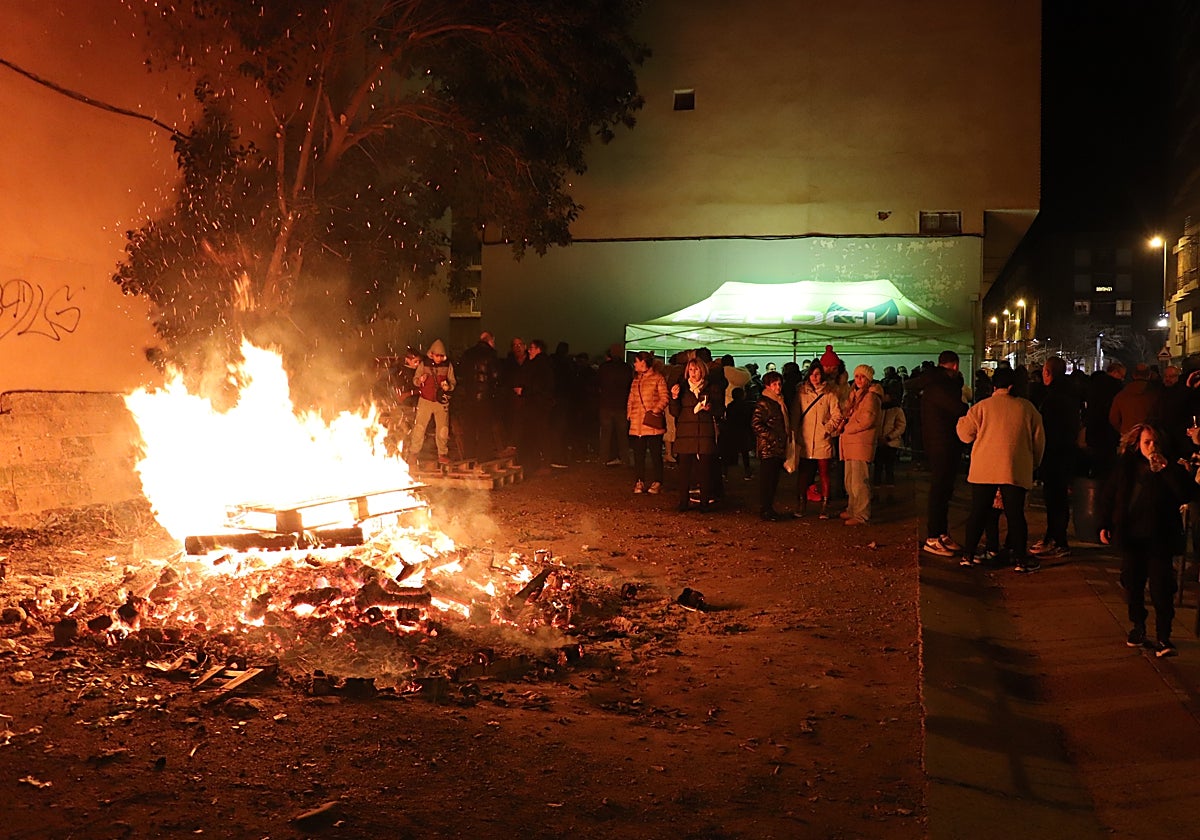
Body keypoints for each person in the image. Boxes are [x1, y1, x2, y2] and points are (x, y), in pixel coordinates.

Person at [1099, 423, 1189, 657]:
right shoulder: (1126, 468)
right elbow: (1110, 496)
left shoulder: (1170, 467)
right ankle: (1138, 626)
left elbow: (1187, 493)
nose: (1151, 447)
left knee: (1161, 589)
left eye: (1155, 442)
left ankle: (1163, 637)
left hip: (1160, 537)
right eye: (1147, 442)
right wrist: (1105, 524)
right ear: (1137, 444)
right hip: (1132, 537)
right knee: (1133, 585)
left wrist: (1167, 469)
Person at [956, 365, 1045, 571]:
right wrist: (1034, 464)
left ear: (993, 385)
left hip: (983, 470)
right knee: (1015, 515)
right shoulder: (1027, 408)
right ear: (1013, 385)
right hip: (1014, 468)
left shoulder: (981, 407)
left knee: (978, 513)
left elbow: (965, 434)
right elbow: (1038, 440)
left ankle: (968, 554)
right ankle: (1021, 560)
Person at [908, 350, 967, 556]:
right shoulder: (941, 386)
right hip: (942, 443)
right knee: (940, 490)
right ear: (955, 366)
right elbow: (959, 409)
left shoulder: (933, 383)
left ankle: (940, 533)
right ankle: (933, 536)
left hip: (940, 442)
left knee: (944, 490)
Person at [1030, 356, 1079, 559]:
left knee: (1055, 499)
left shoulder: (1053, 398)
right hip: (1065, 452)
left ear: (1048, 373)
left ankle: (1058, 540)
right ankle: (1054, 537)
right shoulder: (1069, 393)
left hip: (1055, 454)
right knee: (1056, 499)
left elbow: (1049, 429)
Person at [670, 358, 723, 512]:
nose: (693, 373)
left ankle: (704, 502)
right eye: (691, 370)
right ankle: (683, 502)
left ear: (702, 371)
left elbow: (720, 411)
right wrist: (674, 398)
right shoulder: (682, 389)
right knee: (684, 471)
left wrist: (710, 408)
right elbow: (675, 412)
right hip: (686, 434)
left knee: (705, 470)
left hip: (704, 433)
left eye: (696, 370)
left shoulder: (711, 388)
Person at [836, 364, 882, 526]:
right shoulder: (855, 396)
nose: (859, 380)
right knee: (850, 480)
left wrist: (847, 428)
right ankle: (853, 509)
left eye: (863, 377)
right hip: (851, 443)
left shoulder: (870, 397)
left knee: (859, 481)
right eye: (857, 376)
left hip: (860, 443)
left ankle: (861, 514)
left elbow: (867, 420)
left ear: (869, 379)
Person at [791, 361, 836, 518]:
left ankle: (825, 505)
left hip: (822, 440)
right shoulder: (802, 393)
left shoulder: (830, 393)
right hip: (805, 439)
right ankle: (801, 503)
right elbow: (796, 415)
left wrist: (827, 428)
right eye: (812, 374)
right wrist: (795, 434)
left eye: (817, 374)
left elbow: (837, 414)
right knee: (804, 473)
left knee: (824, 473)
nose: (814, 377)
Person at [407, 339, 456, 465]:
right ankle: (413, 453)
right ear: (431, 354)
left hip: (441, 402)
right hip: (425, 401)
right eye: (436, 355)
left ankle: (442, 454)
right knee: (419, 427)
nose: (438, 358)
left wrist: (448, 387)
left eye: (441, 356)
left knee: (443, 429)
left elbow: (453, 382)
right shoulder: (424, 364)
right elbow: (415, 380)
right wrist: (420, 380)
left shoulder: (447, 365)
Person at [626, 351, 668, 495]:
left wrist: (654, 411)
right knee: (639, 454)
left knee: (656, 454)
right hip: (637, 424)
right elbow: (631, 398)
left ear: (643, 362)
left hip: (651, 423)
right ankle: (639, 480)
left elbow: (664, 398)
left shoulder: (658, 378)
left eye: (636, 361)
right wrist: (630, 413)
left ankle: (658, 481)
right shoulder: (636, 380)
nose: (634, 364)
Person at [456, 331, 501, 460]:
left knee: (469, 428)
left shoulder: (468, 353)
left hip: (469, 397)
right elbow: (496, 375)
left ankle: (469, 455)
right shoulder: (491, 354)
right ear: (490, 340)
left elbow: (460, 372)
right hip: (485, 397)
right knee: (484, 427)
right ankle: (483, 455)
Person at [752, 370, 790, 520]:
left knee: (773, 479)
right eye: (774, 384)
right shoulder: (765, 402)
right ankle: (766, 509)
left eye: (779, 384)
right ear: (768, 386)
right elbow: (756, 424)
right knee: (768, 480)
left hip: (776, 445)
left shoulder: (778, 401)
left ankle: (768, 508)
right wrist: (773, 436)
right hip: (769, 446)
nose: (778, 387)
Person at [513, 338, 554, 474]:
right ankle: (541, 462)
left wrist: (523, 391)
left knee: (539, 434)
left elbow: (538, 386)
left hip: (537, 405)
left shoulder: (538, 365)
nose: (528, 350)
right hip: (540, 405)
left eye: (531, 347)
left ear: (538, 349)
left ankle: (541, 463)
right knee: (541, 434)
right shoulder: (544, 364)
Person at [596, 344, 633, 466]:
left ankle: (603, 458)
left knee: (606, 434)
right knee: (622, 434)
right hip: (621, 405)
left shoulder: (604, 367)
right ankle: (625, 459)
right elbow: (629, 385)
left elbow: (598, 384)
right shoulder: (626, 368)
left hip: (606, 404)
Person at [874, 387, 907, 487]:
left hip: (891, 443)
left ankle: (889, 483)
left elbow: (901, 426)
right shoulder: (877, 408)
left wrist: (889, 437)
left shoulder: (897, 410)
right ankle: (877, 482)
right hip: (879, 441)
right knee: (878, 464)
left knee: (889, 465)